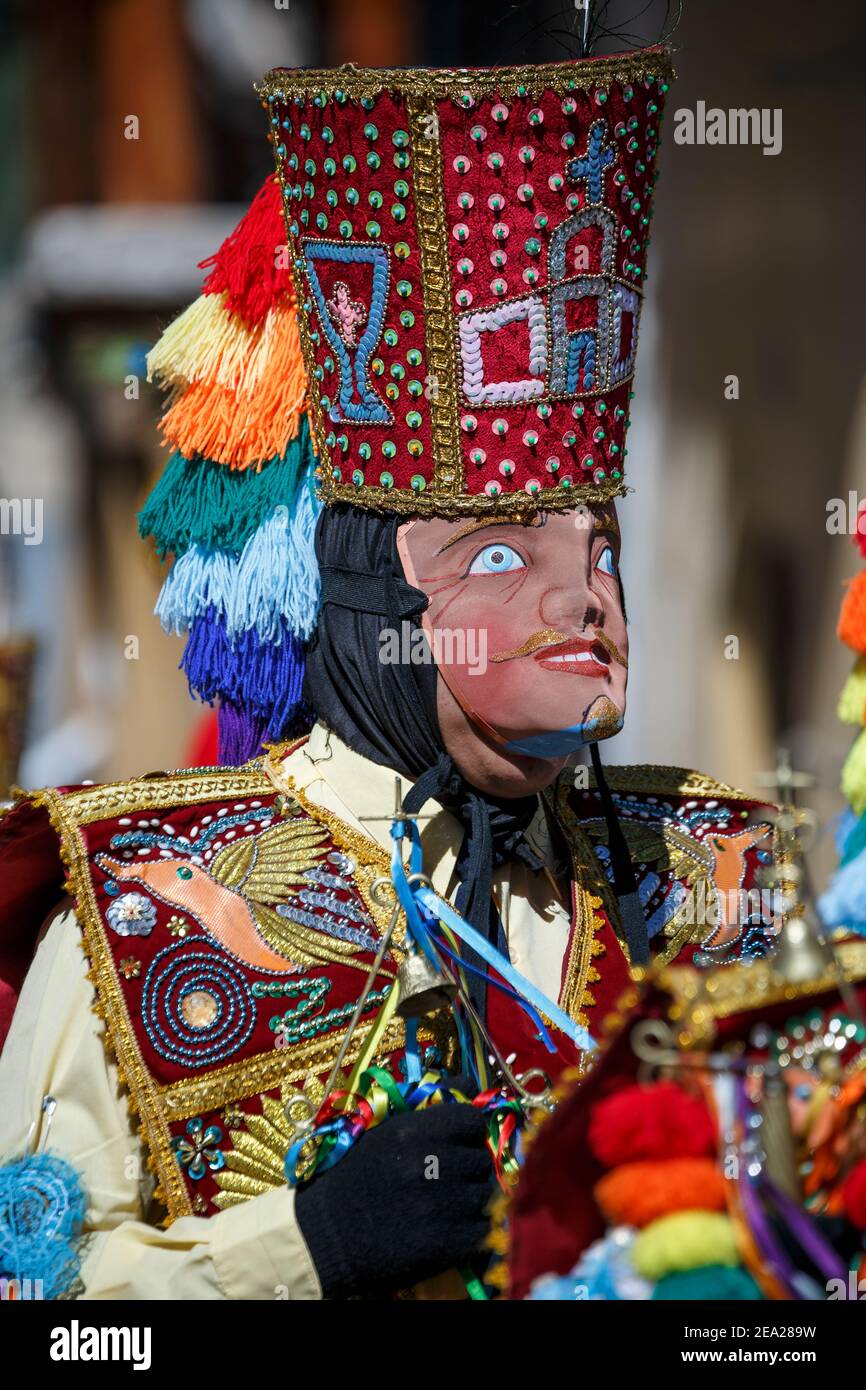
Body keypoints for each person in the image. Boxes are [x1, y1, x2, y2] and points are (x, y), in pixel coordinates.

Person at [0, 46, 777, 1300]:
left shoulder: (711, 876)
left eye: (602, 548)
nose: (585, 595)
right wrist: (302, 1251)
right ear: (370, 601)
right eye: (498, 554)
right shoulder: (138, 910)